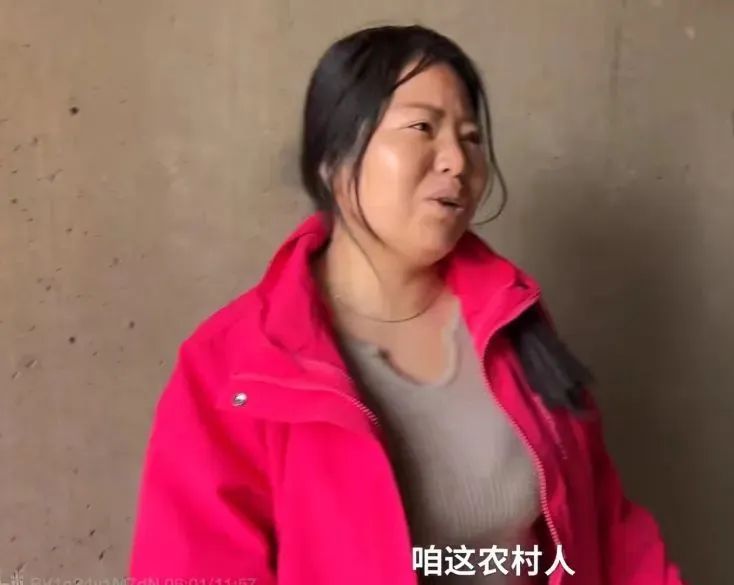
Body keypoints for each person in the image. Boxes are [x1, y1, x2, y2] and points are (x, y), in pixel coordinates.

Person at [129, 24, 684, 585]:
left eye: (471, 137)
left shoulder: (513, 322)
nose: (457, 161)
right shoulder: (234, 368)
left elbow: (609, 532)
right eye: (423, 127)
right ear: (333, 158)